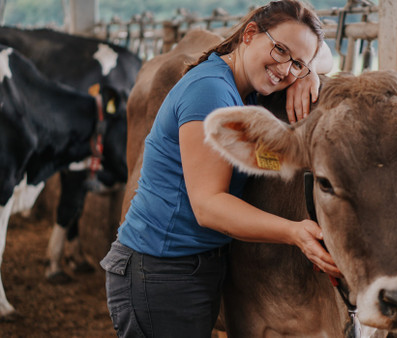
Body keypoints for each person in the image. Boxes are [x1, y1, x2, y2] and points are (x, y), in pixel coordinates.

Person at [100, 1, 340, 337]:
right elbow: (208, 206)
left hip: (191, 266)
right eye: (280, 50)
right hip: (159, 272)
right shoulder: (210, 91)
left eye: (296, 62)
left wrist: (309, 72)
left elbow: (324, 53)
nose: (285, 69)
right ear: (249, 34)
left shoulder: (246, 84)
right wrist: (294, 232)